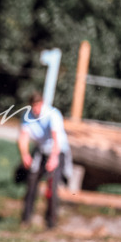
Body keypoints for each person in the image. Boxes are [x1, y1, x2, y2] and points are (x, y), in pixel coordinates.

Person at [18, 91, 71, 228]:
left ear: (42, 104)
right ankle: (26, 219)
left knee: (52, 186)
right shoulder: (27, 115)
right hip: (41, 150)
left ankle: (51, 223)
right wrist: (25, 154)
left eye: (38, 106)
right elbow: (24, 136)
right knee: (31, 181)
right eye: (33, 106)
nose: (36, 109)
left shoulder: (52, 114)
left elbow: (56, 138)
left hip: (57, 150)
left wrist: (54, 158)